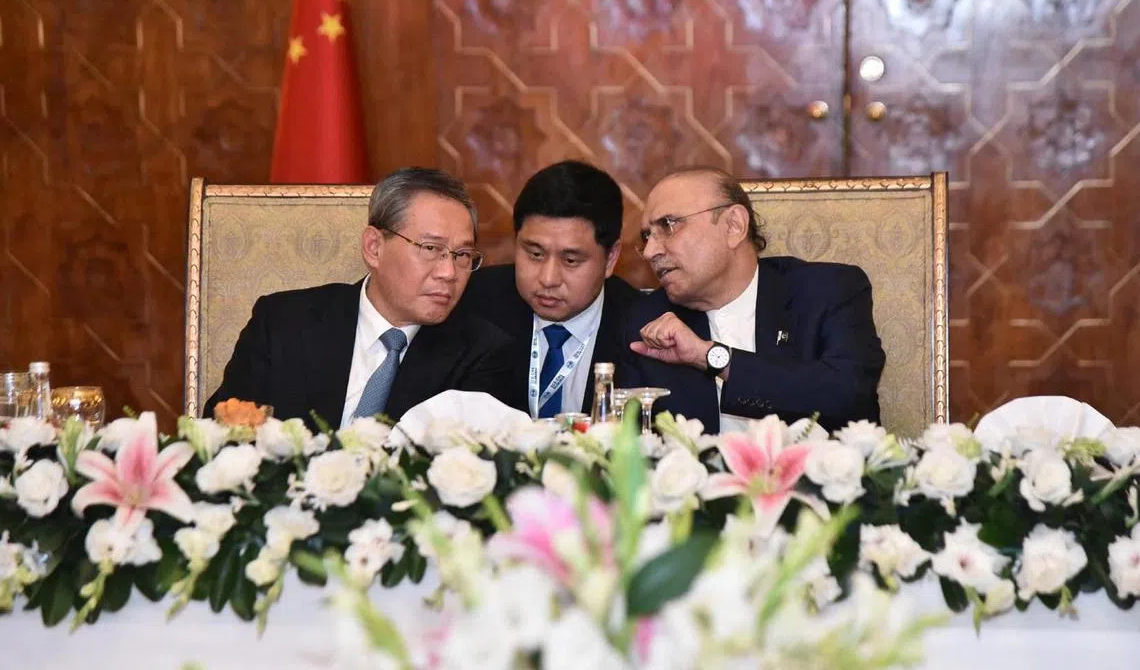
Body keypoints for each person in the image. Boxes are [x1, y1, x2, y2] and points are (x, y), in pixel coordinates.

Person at [203, 167, 523, 428]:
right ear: (374, 247)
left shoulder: (484, 353)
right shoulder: (283, 323)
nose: (449, 272)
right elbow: (219, 436)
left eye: (463, 255)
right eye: (431, 249)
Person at [618, 167, 885, 434]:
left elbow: (849, 396)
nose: (651, 251)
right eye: (646, 237)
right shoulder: (645, 321)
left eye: (668, 225)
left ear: (734, 225)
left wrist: (709, 357)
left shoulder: (826, 291)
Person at [455, 161, 639, 418]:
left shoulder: (642, 328)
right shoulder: (471, 304)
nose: (549, 278)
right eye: (535, 254)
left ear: (610, 259)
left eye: (571, 260)